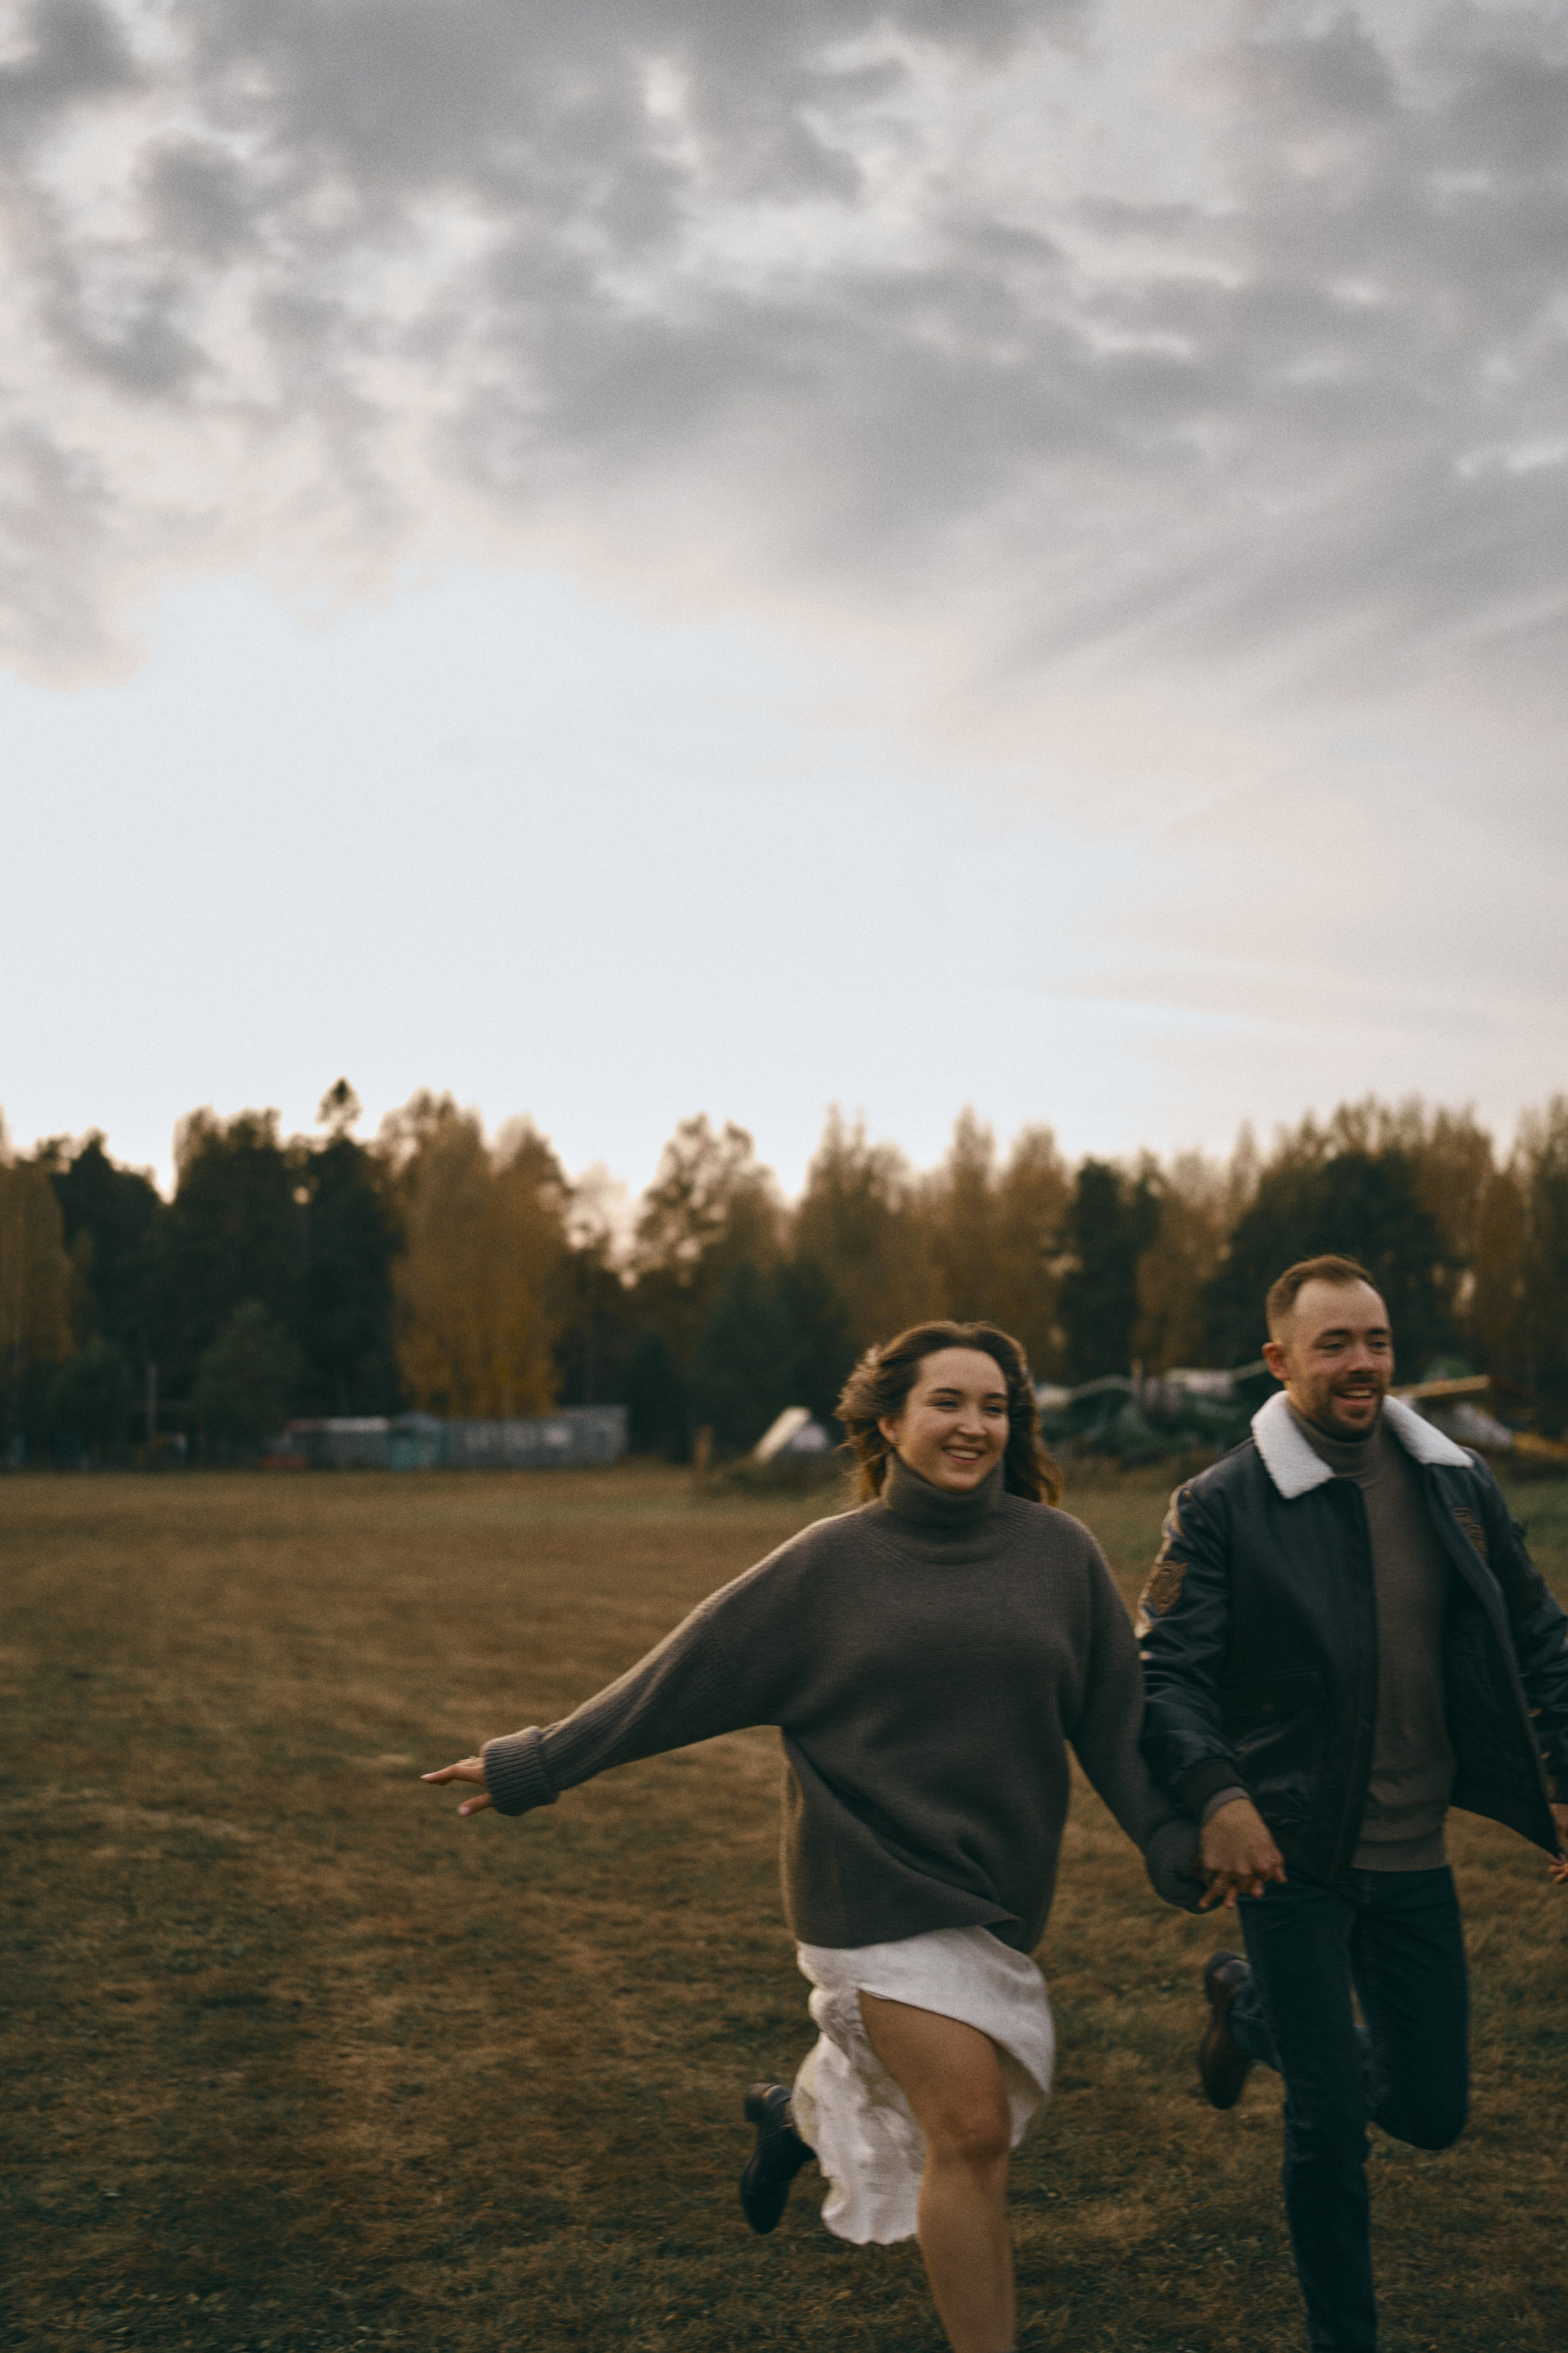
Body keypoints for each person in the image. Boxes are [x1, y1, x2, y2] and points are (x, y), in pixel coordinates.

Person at [424, 1319, 1199, 2353]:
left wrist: (1167, 1837)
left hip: (998, 1894)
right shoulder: (828, 1566)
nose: (974, 1427)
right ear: (890, 1419)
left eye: (995, 1407)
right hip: (864, 1884)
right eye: (948, 1403)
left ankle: (789, 2123)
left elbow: (1115, 1721)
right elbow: (681, 1676)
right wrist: (539, 1762)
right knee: (969, 2129)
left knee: (957, 2115)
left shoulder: (1059, 1553)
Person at [1137, 1254, 1568, 2353]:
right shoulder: (1223, 1502)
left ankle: (1248, 2014)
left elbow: (1538, 1642)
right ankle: (1345, 2336)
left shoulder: (1457, 1482)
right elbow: (1166, 1672)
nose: (1363, 1362)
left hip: (1415, 1851)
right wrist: (1217, 1796)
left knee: (1430, 2111)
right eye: (1335, 1343)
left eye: (1375, 1339)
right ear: (1280, 1360)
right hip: (1292, 1848)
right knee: (1329, 2126)